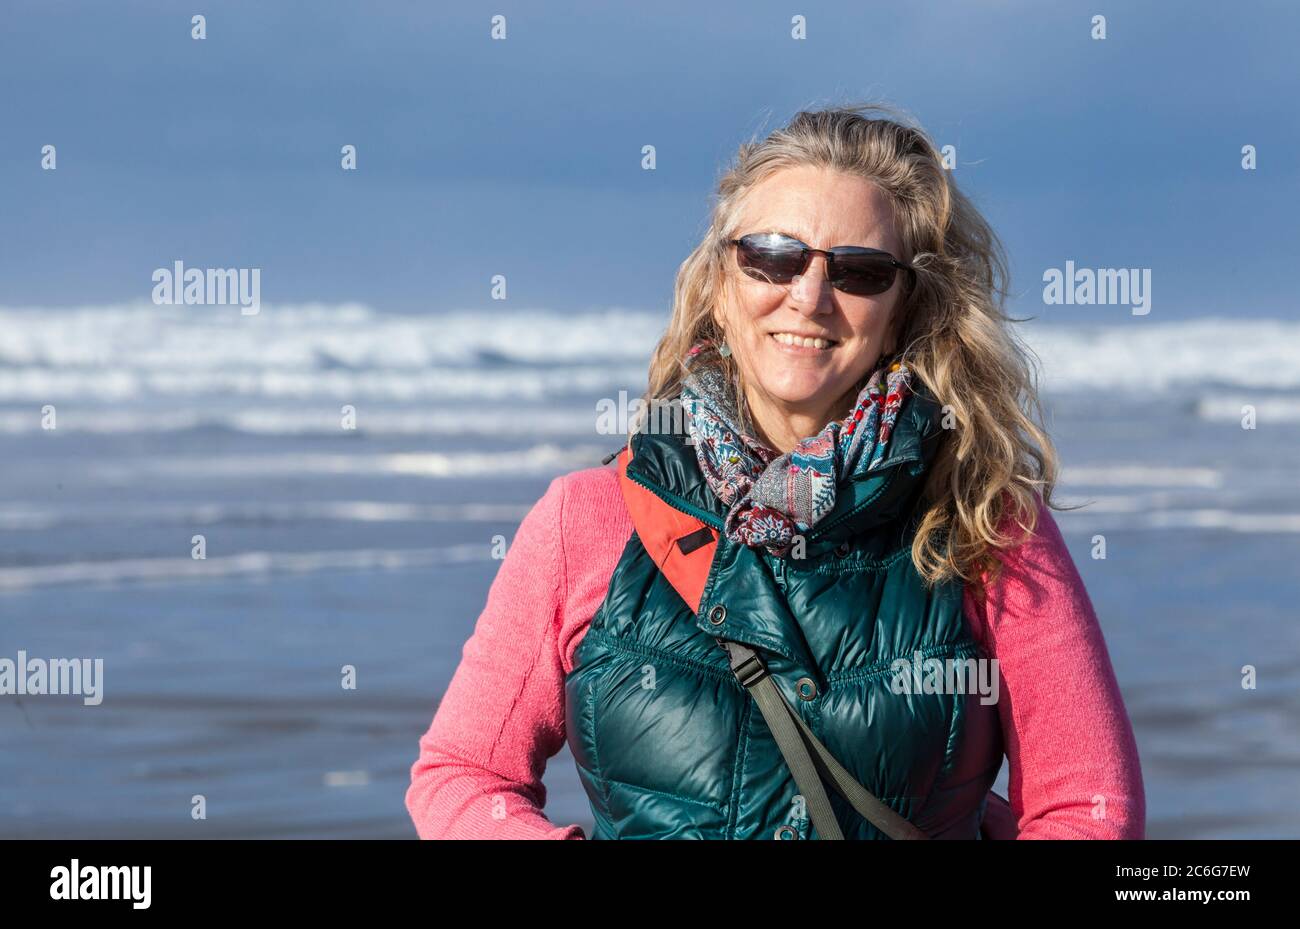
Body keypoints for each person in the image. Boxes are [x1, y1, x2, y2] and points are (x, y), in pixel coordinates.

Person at [405, 104, 1145, 840]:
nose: (810, 296)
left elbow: (1089, 810)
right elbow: (463, 775)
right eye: (772, 255)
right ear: (720, 285)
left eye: (858, 271)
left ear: (903, 308)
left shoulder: (985, 521)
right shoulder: (589, 519)